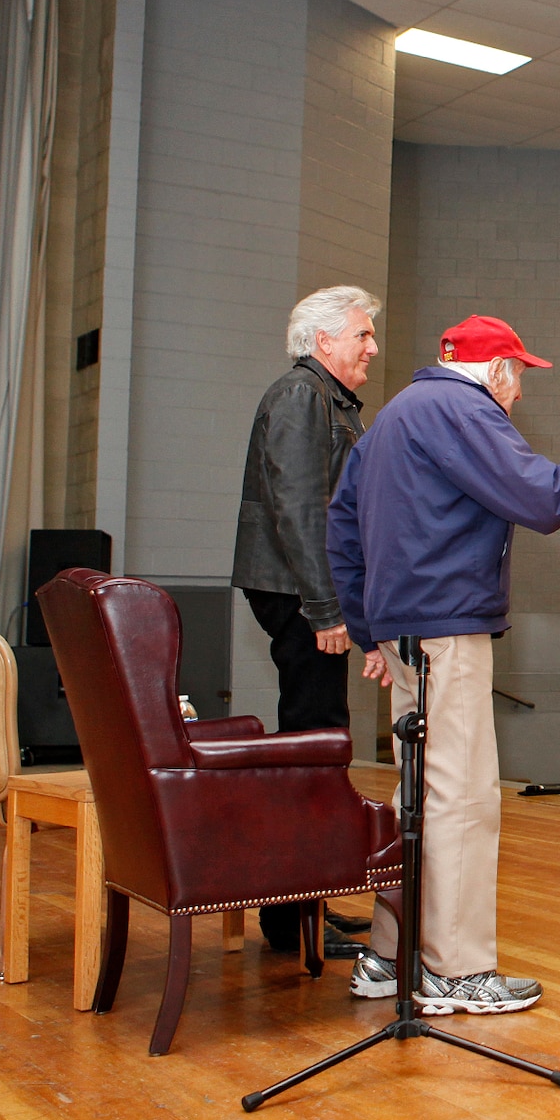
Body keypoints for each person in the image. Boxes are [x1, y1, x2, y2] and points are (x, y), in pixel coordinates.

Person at [329, 312, 560, 1014]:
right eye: (519, 377)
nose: (519, 394)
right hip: (448, 632)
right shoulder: (464, 410)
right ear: (494, 370)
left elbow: (341, 523)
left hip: (405, 634)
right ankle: (456, 970)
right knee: (463, 801)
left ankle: (388, 955)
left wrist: (368, 629)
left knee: (418, 799)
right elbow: (546, 496)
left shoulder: (391, 417)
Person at [233, 285, 382, 958]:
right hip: (300, 596)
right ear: (324, 342)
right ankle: (290, 918)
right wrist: (325, 608)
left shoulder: (323, 397)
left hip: (306, 592)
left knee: (319, 752)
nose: (372, 347)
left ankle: (306, 902)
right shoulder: (302, 397)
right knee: (311, 755)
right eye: (362, 335)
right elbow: (299, 509)